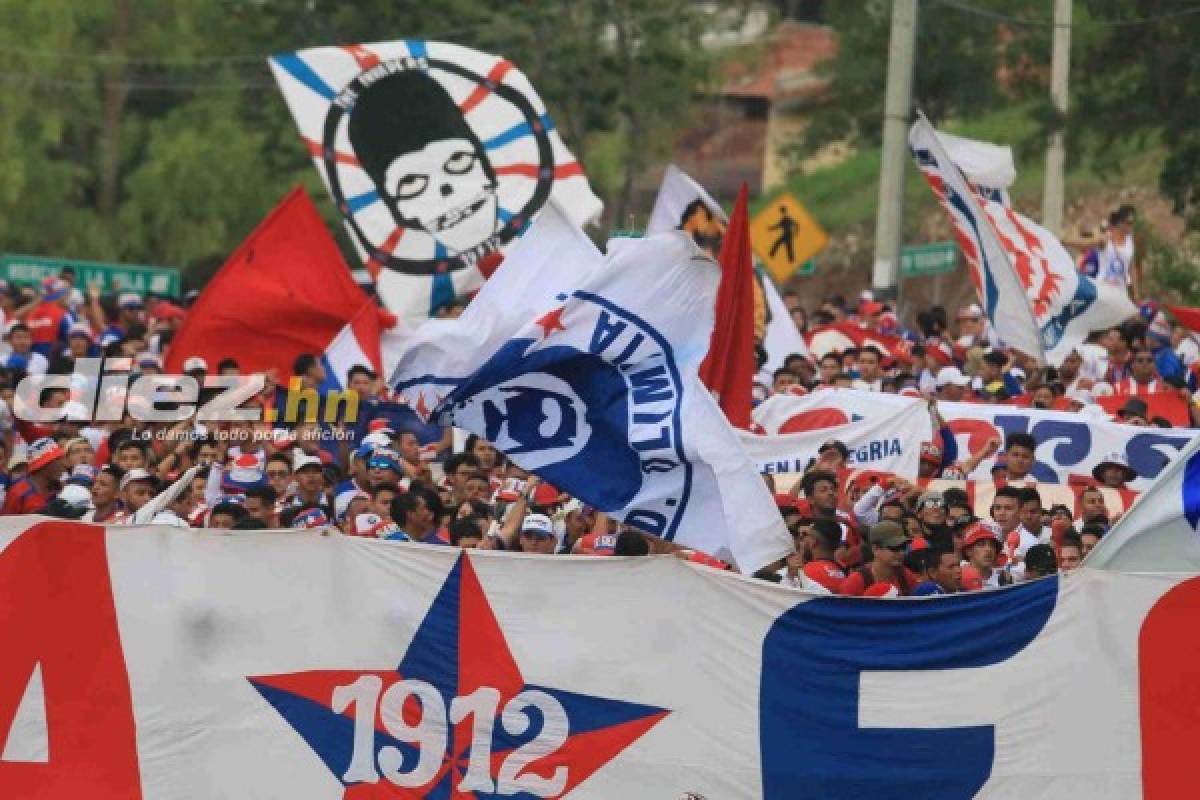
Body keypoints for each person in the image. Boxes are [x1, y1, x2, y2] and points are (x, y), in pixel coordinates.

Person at [839, 521, 918, 597]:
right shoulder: (856, 581)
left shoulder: (906, 576)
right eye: (895, 547)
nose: (901, 552)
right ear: (875, 549)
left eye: (903, 547)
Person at [2, 437, 66, 514]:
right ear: (44, 464)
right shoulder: (18, 492)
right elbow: (5, 524)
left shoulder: (61, 490)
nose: (63, 464)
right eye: (58, 459)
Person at [960, 522, 1010, 591]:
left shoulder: (1004, 578)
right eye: (981, 545)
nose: (988, 549)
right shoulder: (958, 577)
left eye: (992, 545)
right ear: (968, 551)